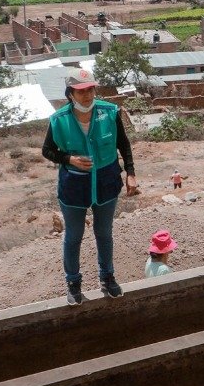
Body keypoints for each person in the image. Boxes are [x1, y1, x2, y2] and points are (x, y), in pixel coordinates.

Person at [41, 68, 138, 305]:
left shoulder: (110, 112)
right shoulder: (59, 120)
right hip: (74, 187)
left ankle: (108, 277)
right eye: (81, 91)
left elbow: (123, 144)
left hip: (106, 183)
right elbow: (47, 151)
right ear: (70, 93)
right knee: (74, 236)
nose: (87, 95)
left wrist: (131, 173)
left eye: (91, 89)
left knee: (104, 233)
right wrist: (69, 159)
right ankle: (73, 283)